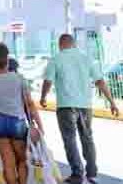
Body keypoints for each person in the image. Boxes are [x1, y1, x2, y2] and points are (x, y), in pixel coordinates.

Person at [40, 34, 120, 184]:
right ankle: (92, 173)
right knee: (87, 138)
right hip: (85, 106)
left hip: (65, 106)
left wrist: (43, 97)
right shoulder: (86, 58)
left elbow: (48, 81)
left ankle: (77, 174)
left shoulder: (56, 58)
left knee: (70, 140)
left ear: (60, 44)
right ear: (74, 44)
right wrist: (112, 103)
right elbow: (100, 81)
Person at [0, 43, 43, 184]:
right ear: (7, 60)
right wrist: (40, 126)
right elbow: (30, 104)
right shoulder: (20, 79)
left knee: (7, 162)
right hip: (18, 123)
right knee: (21, 160)